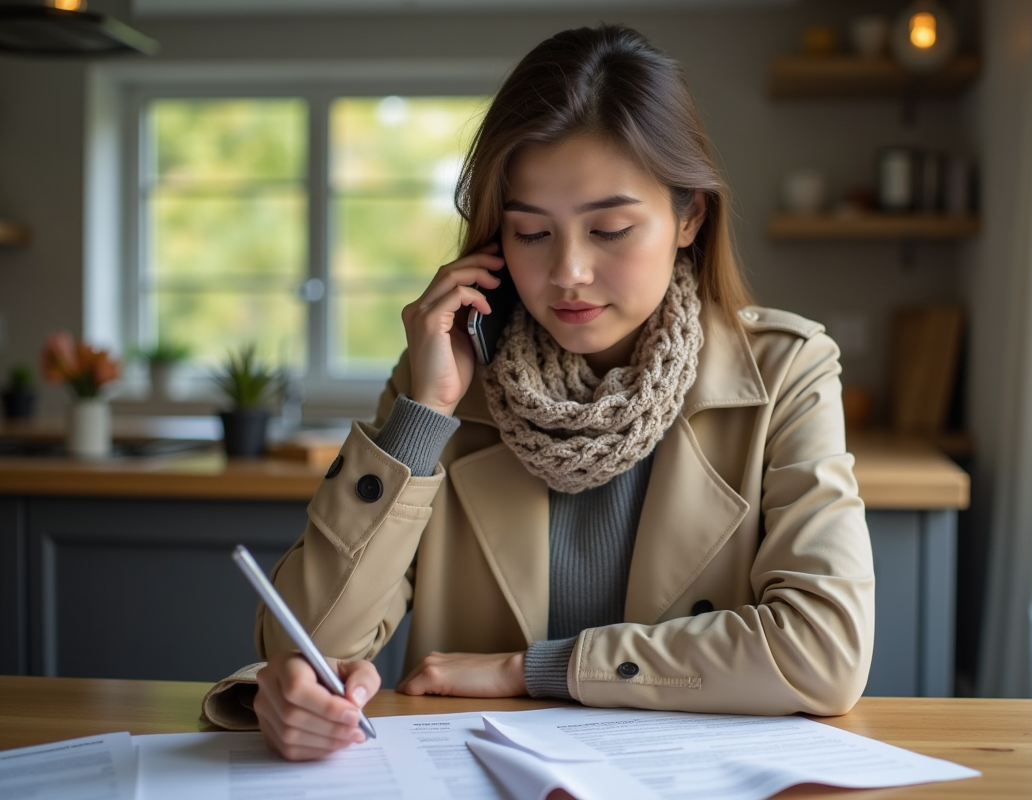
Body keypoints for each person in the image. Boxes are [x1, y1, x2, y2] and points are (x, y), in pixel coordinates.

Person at [201, 23, 875, 762]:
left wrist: (534, 670)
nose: (568, 273)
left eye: (610, 229)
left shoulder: (787, 372)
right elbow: (313, 644)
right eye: (531, 233)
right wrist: (425, 414)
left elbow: (824, 651)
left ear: (690, 217)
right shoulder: (446, 381)